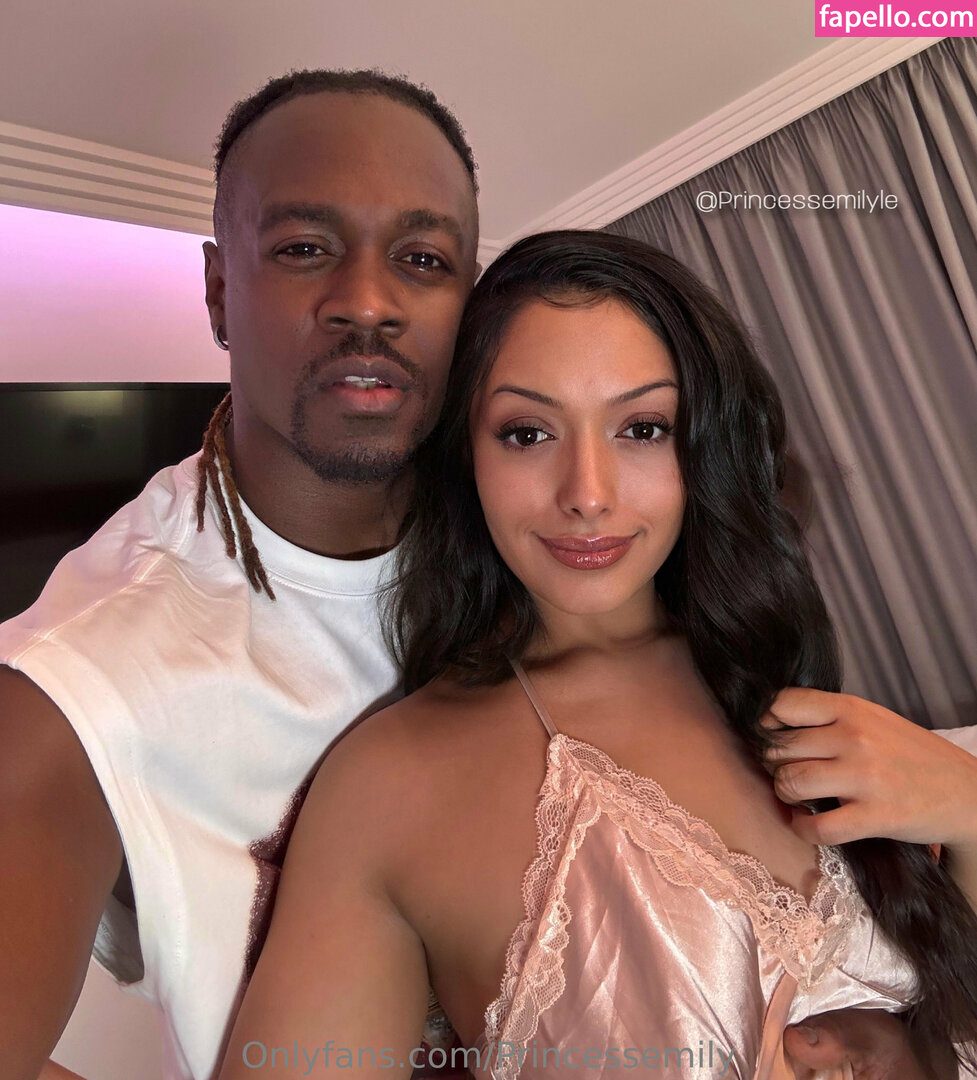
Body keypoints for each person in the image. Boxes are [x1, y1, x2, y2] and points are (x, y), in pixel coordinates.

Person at [217, 231, 977, 1080]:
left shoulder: (760, 668)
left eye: (641, 428)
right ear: (465, 456)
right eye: (526, 433)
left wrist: (967, 809)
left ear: (703, 447)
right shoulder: (391, 784)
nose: (586, 493)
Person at [0, 69, 480, 1080]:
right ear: (220, 291)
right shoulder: (84, 679)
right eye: (304, 248)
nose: (367, 301)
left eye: (422, 259)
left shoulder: (538, 524)